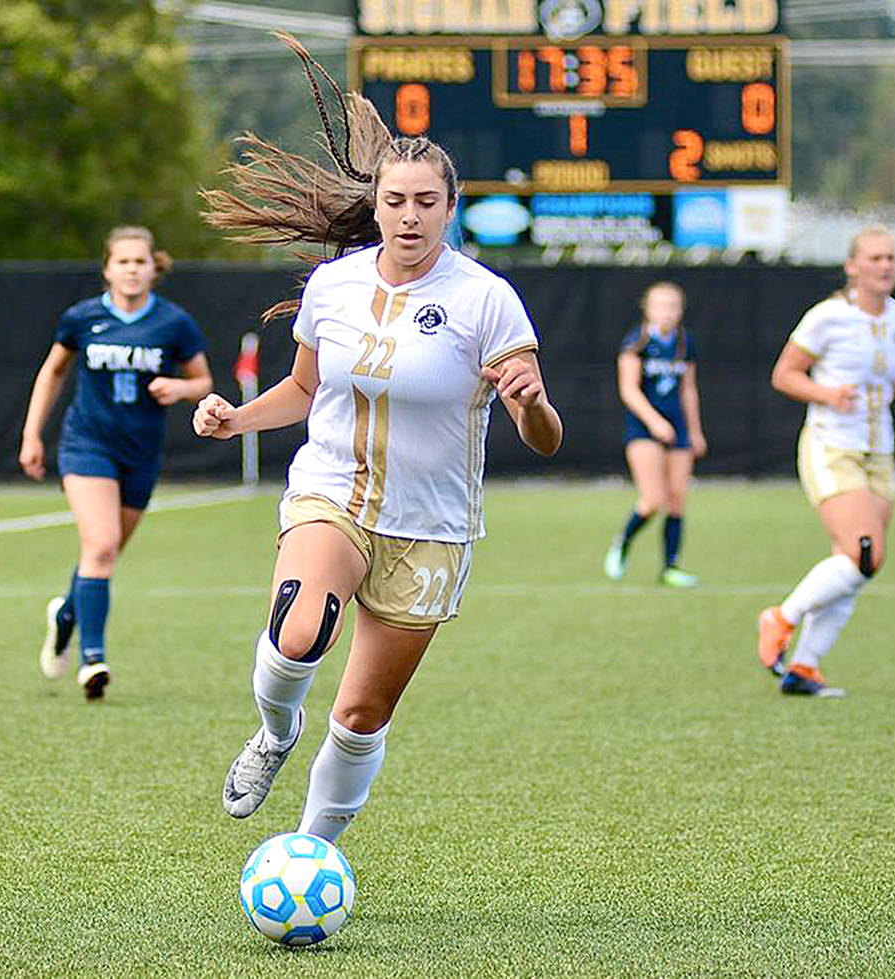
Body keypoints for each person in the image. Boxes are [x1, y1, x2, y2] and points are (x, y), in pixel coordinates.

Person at [193, 35, 562, 840]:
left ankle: (309, 850)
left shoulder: (487, 300)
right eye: (396, 200)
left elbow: (544, 437)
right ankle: (276, 730)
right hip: (334, 491)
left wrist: (531, 402)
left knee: (361, 714)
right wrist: (235, 417)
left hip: (431, 525)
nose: (409, 215)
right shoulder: (334, 284)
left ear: (450, 207)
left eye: (427, 202)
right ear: (378, 203)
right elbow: (301, 389)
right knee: (299, 630)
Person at [20, 226, 213, 699]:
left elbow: (204, 381)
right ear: (107, 268)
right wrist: (31, 434)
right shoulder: (82, 318)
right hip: (87, 445)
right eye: (122, 261)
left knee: (102, 555)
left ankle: (66, 614)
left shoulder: (174, 323)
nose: (131, 269)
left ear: (154, 267)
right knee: (102, 545)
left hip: (140, 455)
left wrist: (180, 389)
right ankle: (93, 659)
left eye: (139, 261)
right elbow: (53, 371)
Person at [757, 226, 895, 697]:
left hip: (879, 451)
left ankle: (805, 668)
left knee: (860, 563)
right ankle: (782, 617)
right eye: (876, 258)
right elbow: (784, 374)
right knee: (864, 550)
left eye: (891, 258)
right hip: (831, 444)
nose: (886, 266)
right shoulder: (828, 317)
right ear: (852, 266)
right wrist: (826, 393)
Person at [603, 281, 707, 587]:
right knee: (653, 500)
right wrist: (655, 422)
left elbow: (688, 389)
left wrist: (695, 430)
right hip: (644, 430)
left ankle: (670, 567)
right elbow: (629, 390)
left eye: (673, 306)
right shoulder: (637, 341)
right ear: (648, 308)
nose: (668, 312)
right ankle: (622, 541)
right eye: (661, 306)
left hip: (678, 430)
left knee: (677, 499)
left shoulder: (685, 342)